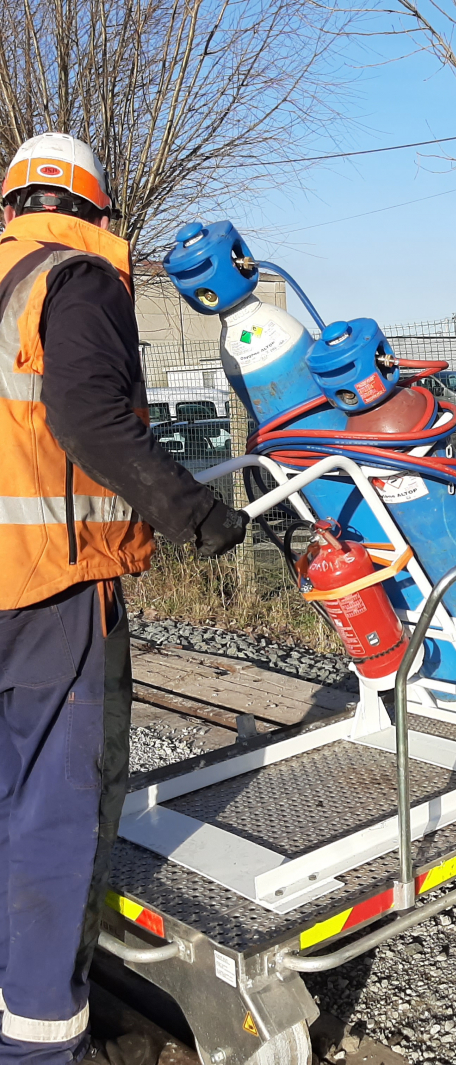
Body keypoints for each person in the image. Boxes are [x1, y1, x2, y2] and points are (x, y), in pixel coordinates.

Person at [0, 133, 248, 1063]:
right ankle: (37, 1045)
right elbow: (89, 421)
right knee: (56, 812)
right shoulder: (77, 280)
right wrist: (192, 512)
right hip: (50, 595)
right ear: (98, 208)